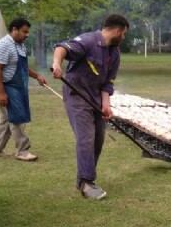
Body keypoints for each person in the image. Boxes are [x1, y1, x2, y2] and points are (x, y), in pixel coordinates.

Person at [51, 14, 129, 200]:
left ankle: (83, 179)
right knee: (85, 138)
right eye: (124, 34)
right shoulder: (88, 41)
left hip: (95, 98)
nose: (124, 38)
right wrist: (56, 63)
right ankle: (87, 183)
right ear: (117, 31)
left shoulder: (114, 53)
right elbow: (62, 48)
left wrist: (106, 105)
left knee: (98, 139)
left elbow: (107, 83)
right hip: (76, 95)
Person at [0, 17, 47, 161]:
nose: (27, 35)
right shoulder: (3, 45)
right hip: (5, 88)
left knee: (5, 119)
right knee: (17, 119)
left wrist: (37, 76)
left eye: (28, 32)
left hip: (17, 88)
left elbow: (22, 67)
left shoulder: (20, 45)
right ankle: (22, 151)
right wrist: (1, 93)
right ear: (14, 30)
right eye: (24, 32)